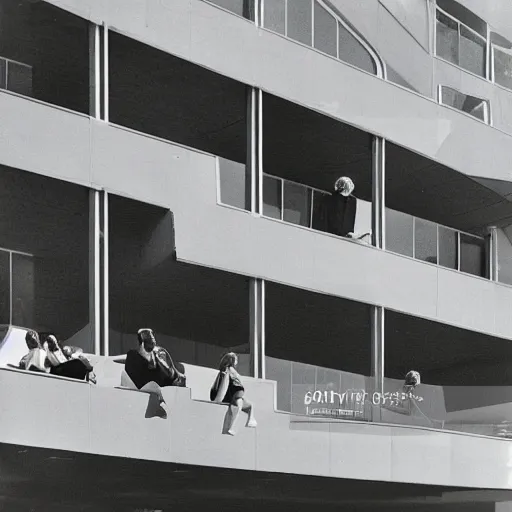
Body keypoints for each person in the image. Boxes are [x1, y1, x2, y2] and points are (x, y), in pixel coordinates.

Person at [210, 352, 257, 436]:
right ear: (232, 360)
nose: (237, 361)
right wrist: (218, 398)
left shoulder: (231, 370)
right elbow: (225, 383)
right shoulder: (228, 370)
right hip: (234, 394)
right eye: (236, 359)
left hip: (237, 393)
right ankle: (230, 427)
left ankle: (250, 420)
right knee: (238, 407)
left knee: (249, 406)